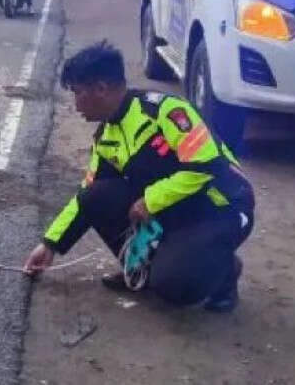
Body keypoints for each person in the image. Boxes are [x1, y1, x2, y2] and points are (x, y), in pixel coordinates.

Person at [23, 41, 255, 312]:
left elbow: (204, 166)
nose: (76, 105)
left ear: (101, 88)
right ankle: (143, 269)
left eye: (78, 93)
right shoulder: (106, 137)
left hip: (220, 208)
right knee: (96, 196)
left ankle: (225, 272)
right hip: (175, 210)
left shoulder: (167, 111)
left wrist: (150, 200)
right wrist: (50, 244)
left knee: (174, 285)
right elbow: (86, 195)